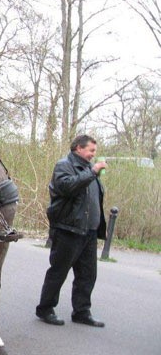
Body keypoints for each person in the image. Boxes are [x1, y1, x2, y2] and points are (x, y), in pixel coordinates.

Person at [36, 135, 107, 328]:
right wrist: (93, 171)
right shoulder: (64, 165)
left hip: (88, 231)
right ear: (78, 148)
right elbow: (67, 187)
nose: (94, 154)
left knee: (87, 274)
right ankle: (45, 308)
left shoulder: (87, 169)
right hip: (68, 229)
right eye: (91, 150)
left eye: (94, 151)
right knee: (59, 271)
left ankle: (82, 312)